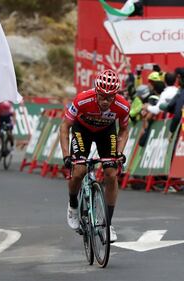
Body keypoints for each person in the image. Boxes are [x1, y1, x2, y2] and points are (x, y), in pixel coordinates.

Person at [60, 69, 130, 243]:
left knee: (111, 174)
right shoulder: (82, 100)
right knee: (79, 170)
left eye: (110, 97)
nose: (105, 101)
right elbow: (64, 127)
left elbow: (124, 130)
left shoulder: (122, 106)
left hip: (106, 132)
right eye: (102, 96)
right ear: (96, 91)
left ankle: (107, 224)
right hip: (82, 130)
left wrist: (119, 153)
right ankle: (73, 205)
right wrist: (66, 156)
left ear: (116, 94)